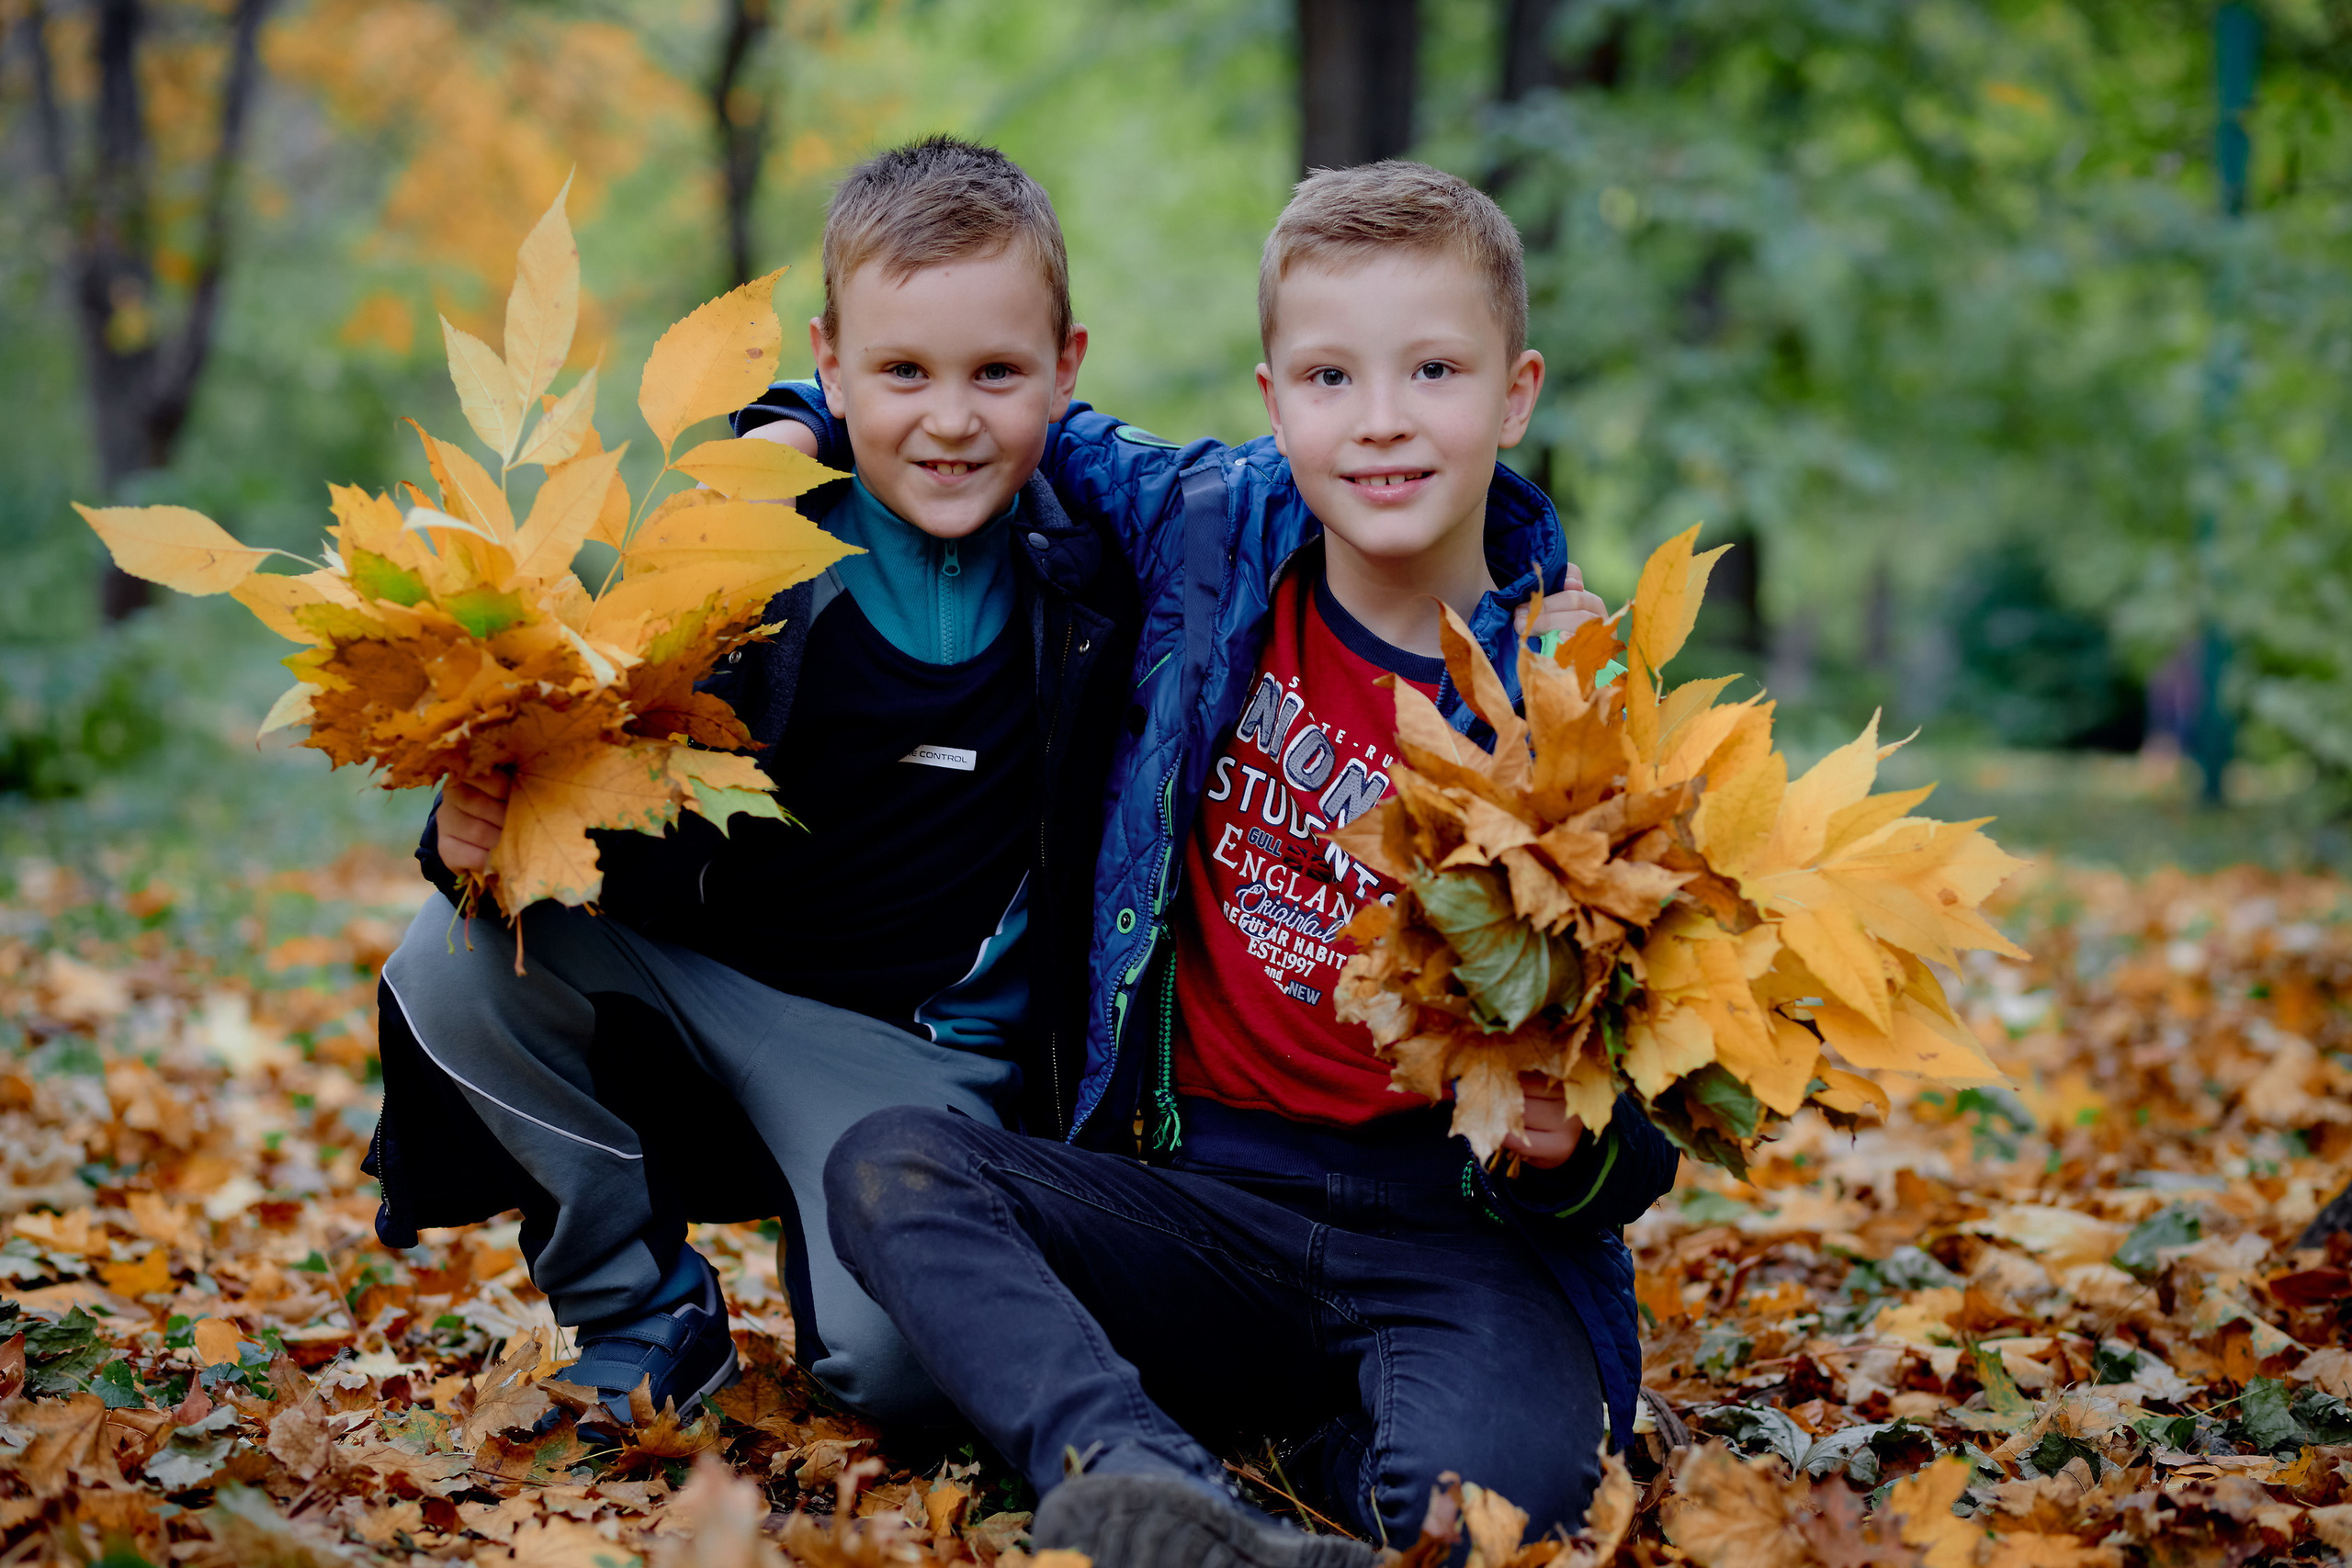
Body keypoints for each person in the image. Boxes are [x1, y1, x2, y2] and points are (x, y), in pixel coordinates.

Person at [761, 162, 1679, 1568]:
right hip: (1202, 1206)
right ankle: (1136, 1478)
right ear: (1274, 402)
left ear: (1516, 392)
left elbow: (1662, 1099)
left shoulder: (1577, 698)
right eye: (1329, 377)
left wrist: (1578, 1149)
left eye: (1433, 370)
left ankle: (1312, 1467)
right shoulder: (1206, 534)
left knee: (1473, 1519)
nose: (1379, 423)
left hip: (1456, 1237)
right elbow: (996, 410)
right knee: (895, 1168)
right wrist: (788, 420)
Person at [361, 136, 1139, 1430]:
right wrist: (471, 831)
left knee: (903, 1379)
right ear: (831, 365)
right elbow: (567, 757)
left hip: (911, 1055)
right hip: (699, 978)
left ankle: (842, 1253)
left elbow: (1304, 511)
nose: (950, 419)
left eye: (996, 373)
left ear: (1064, 370)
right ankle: (639, 1311)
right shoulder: (735, 550)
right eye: (902, 372)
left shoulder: (1099, 572)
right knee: (454, 957)